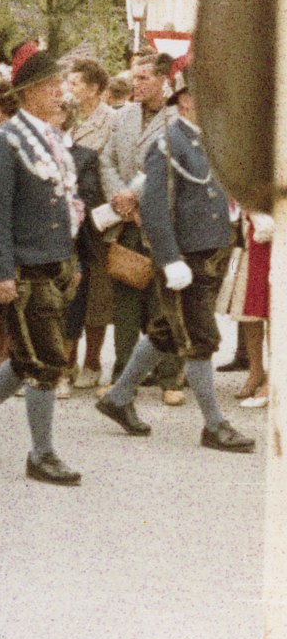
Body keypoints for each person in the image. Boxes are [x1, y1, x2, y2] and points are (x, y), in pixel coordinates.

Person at [95, 59, 254, 453]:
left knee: (168, 329)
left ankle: (118, 397)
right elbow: (154, 209)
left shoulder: (210, 138)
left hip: (209, 253)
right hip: (185, 260)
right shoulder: (169, 143)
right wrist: (169, 259)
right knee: (200, 337)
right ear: (184, 101)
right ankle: (214, 425)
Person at [0, 40, 83, 487]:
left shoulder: (51, 137)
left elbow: (62, 202)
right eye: (50, 87)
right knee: (45, 359)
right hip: (23, 266)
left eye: (60, 85)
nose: (59, 93)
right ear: (27, 92)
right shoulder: (6, 141)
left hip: (54, 260)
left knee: (30, 356)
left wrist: (71, 257)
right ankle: (41, 454)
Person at [99, 52, 181, 403]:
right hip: (127, 221)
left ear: (164, 79)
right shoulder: (124, 115)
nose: (137, 83)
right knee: (126, 299)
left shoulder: (178, 116)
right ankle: (122, 376)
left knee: (165, 301)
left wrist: (137, 196)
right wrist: (119, 195)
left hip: (162, 218)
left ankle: (170, 378)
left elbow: (173, 165)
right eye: (134, 77)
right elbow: (106, 159)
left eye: (145, 77)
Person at [64, 57, 116, 389]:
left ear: (94, 88)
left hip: (98, 216)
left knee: (97, 292)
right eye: (68, 83)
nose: (69, 89)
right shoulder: (65, 118)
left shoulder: (111, 121)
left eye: (76, 83)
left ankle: (92, 360)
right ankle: (66, 359)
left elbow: (111, 166)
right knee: (70, 289)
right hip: (69, 215)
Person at [217, 210, 272, 405]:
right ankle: (255, 372)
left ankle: (274, 380)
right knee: (247, 311)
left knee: (274, 314)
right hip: (247, 240)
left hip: (276, 238)